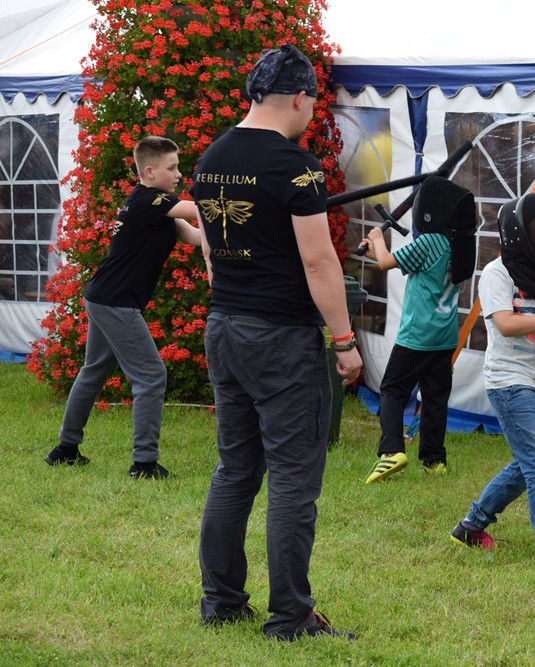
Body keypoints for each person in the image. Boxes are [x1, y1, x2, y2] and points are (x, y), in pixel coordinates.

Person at [191, 44, 363, 641]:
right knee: (293, 479)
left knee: (235, 469)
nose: (313, 112)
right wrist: (344, 341)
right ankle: (290, 618)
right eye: (314, 101)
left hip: (225, 326)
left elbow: (213, 251)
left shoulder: (212, 157)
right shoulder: (297, 165)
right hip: (282, 338)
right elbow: (320, 263)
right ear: (298, 97)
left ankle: (221, 602)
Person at [44, 136, 202, 479]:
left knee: (94, 370)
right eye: (172, 168)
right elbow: (196, 209)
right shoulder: (148, 200)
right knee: (151, 375)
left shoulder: (159, 208)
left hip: (104, 296)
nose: (178, 175)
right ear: (149, 171)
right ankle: (144, 464)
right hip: (115, 301)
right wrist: (246, 200)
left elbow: (195, 234)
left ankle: (65, 450)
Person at [449, 193, 535, 572]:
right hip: (510, 383)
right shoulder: (496, 274)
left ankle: (470, 526)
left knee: (527, 464)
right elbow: (508, 324)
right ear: (517, 234)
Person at [360, 175, 474, 483]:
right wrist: (375, 250)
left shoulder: (429, 241)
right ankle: (435, 460)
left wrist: (376, 237)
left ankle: (391, 451)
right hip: (444, 337)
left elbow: (384, 262)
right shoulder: (459, 245)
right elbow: (394, 261)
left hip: (417, 336)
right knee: (435, 397)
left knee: (393, 389)